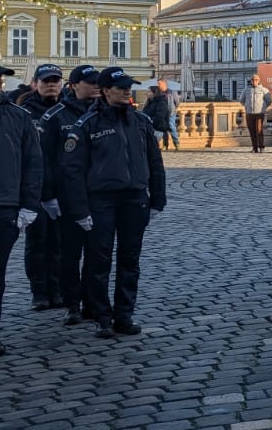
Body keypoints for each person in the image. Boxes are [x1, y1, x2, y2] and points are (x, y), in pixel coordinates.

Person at [60, 66, 167, 337]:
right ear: (106, 90)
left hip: (134, 197)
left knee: (130, 260)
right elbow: (73, 171)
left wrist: (158, 198)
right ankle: (102, 316)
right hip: (101, 200)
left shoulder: (141, 121)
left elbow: (155, 162)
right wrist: (80, 209)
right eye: (121, 88)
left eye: (129, 87)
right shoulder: (87, 124)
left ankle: (124, 315)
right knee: (99, 260)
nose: (127, 91)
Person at [0, 54, 42, 358]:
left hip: (3, 208)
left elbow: (33, 163)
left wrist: (28, 205)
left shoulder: (18, 117)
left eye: (0, 76)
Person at [39, 65, 100, 326]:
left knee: (98, 254)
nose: (96, 86)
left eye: (99, 82)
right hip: (67, 196)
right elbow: (45, 160)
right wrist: (48, 195)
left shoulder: (103, 113)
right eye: (90, 82)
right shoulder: (55, 116)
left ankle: (92, 302)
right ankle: (72, 303)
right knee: (69, 255)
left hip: (99, 195)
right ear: (74, 85)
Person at [18, 64, 65, 310]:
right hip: (35, 187)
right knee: (37, 243)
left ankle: (57, 290)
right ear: (36, 83)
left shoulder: (67, 108)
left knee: (59, 243)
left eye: (55, 80)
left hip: (62, 187)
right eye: (46, 81)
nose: (51, 84)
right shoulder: (25, 111)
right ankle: (39, 292)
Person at [242, 73, 271, 153]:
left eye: (256, 80)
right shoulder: (246, 89)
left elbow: (269, 101)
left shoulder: (263, 90)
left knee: (259, 130)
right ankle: (255, 148)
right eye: (253, 80)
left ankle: (261, 146)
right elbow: (241, 100)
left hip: (259, 113)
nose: (254, 81)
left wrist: (263, 107)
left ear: (259, 81)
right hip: (249, 113)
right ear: (251, 81)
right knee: (252, 131)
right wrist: (247, 106)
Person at [144, 82, 178, 150]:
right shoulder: (149, 102)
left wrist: (150, 121)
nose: (146, 93)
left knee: (171, 128)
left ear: (154, 93)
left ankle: (173, 143)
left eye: (149, 92)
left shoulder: (162, 101)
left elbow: (160, 116)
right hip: (150, 126)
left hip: (157, 127)